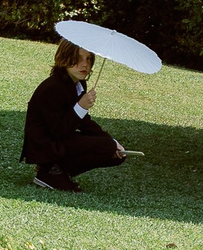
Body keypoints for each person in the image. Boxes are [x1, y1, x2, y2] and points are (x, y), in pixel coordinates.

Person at [21, 38, 127, 192]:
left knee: (115, 153)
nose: (85, 64)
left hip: (60, 139)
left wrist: (112, 140)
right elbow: (58, 131)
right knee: (107, 147)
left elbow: (84, 122)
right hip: (46, 146)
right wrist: (80, 107)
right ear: (64, 59)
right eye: (78, 59)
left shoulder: (78, 83)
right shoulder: (53, 87)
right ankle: (49, 171)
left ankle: (58, 171)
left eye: (88, 59)